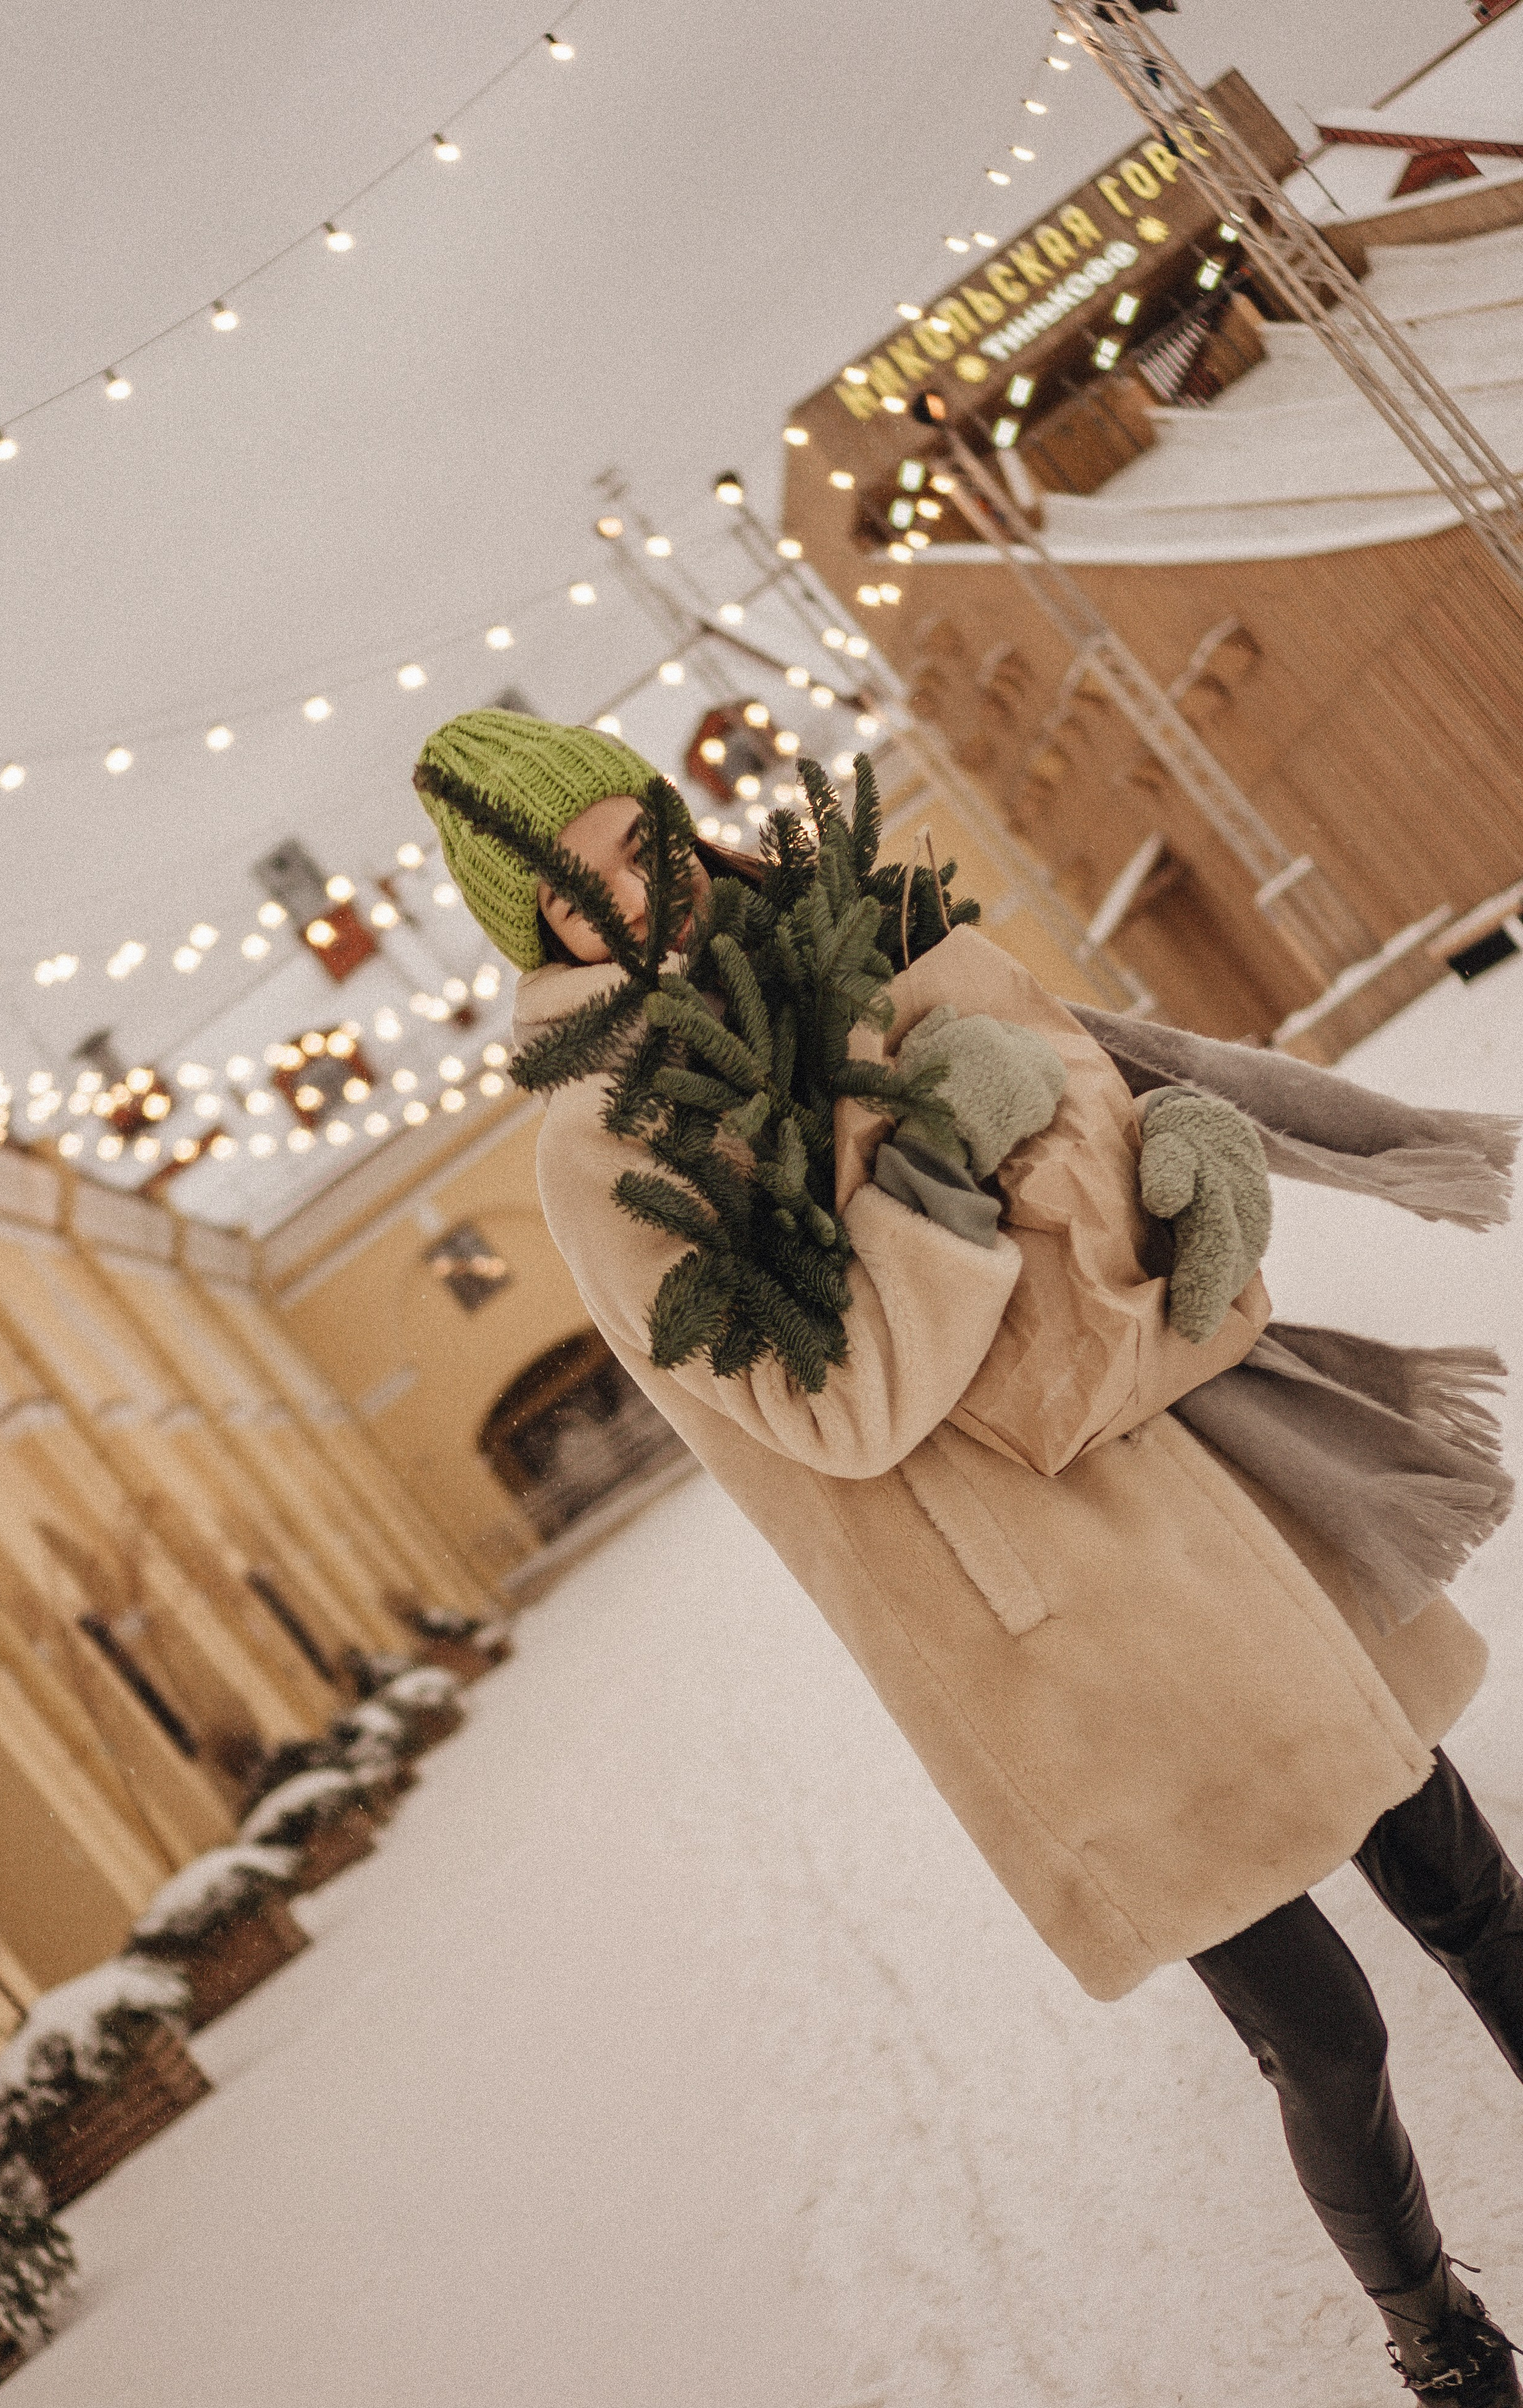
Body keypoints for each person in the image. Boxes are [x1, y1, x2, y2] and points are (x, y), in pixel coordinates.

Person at [414, 707, 1523, 2404]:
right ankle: (1441, 2342)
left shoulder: (857, 937)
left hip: (1205, 1496)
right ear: (535, 930)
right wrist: (932, 1164)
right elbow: (841, 1405)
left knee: (1469, 1889)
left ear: (663, 805)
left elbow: (1115, 1093)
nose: (629, 904)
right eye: (573, 901)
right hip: (1049, 1626)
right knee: (1327, 2031)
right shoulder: (606, 1145)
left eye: (633, 844)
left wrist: (1206, 1177)